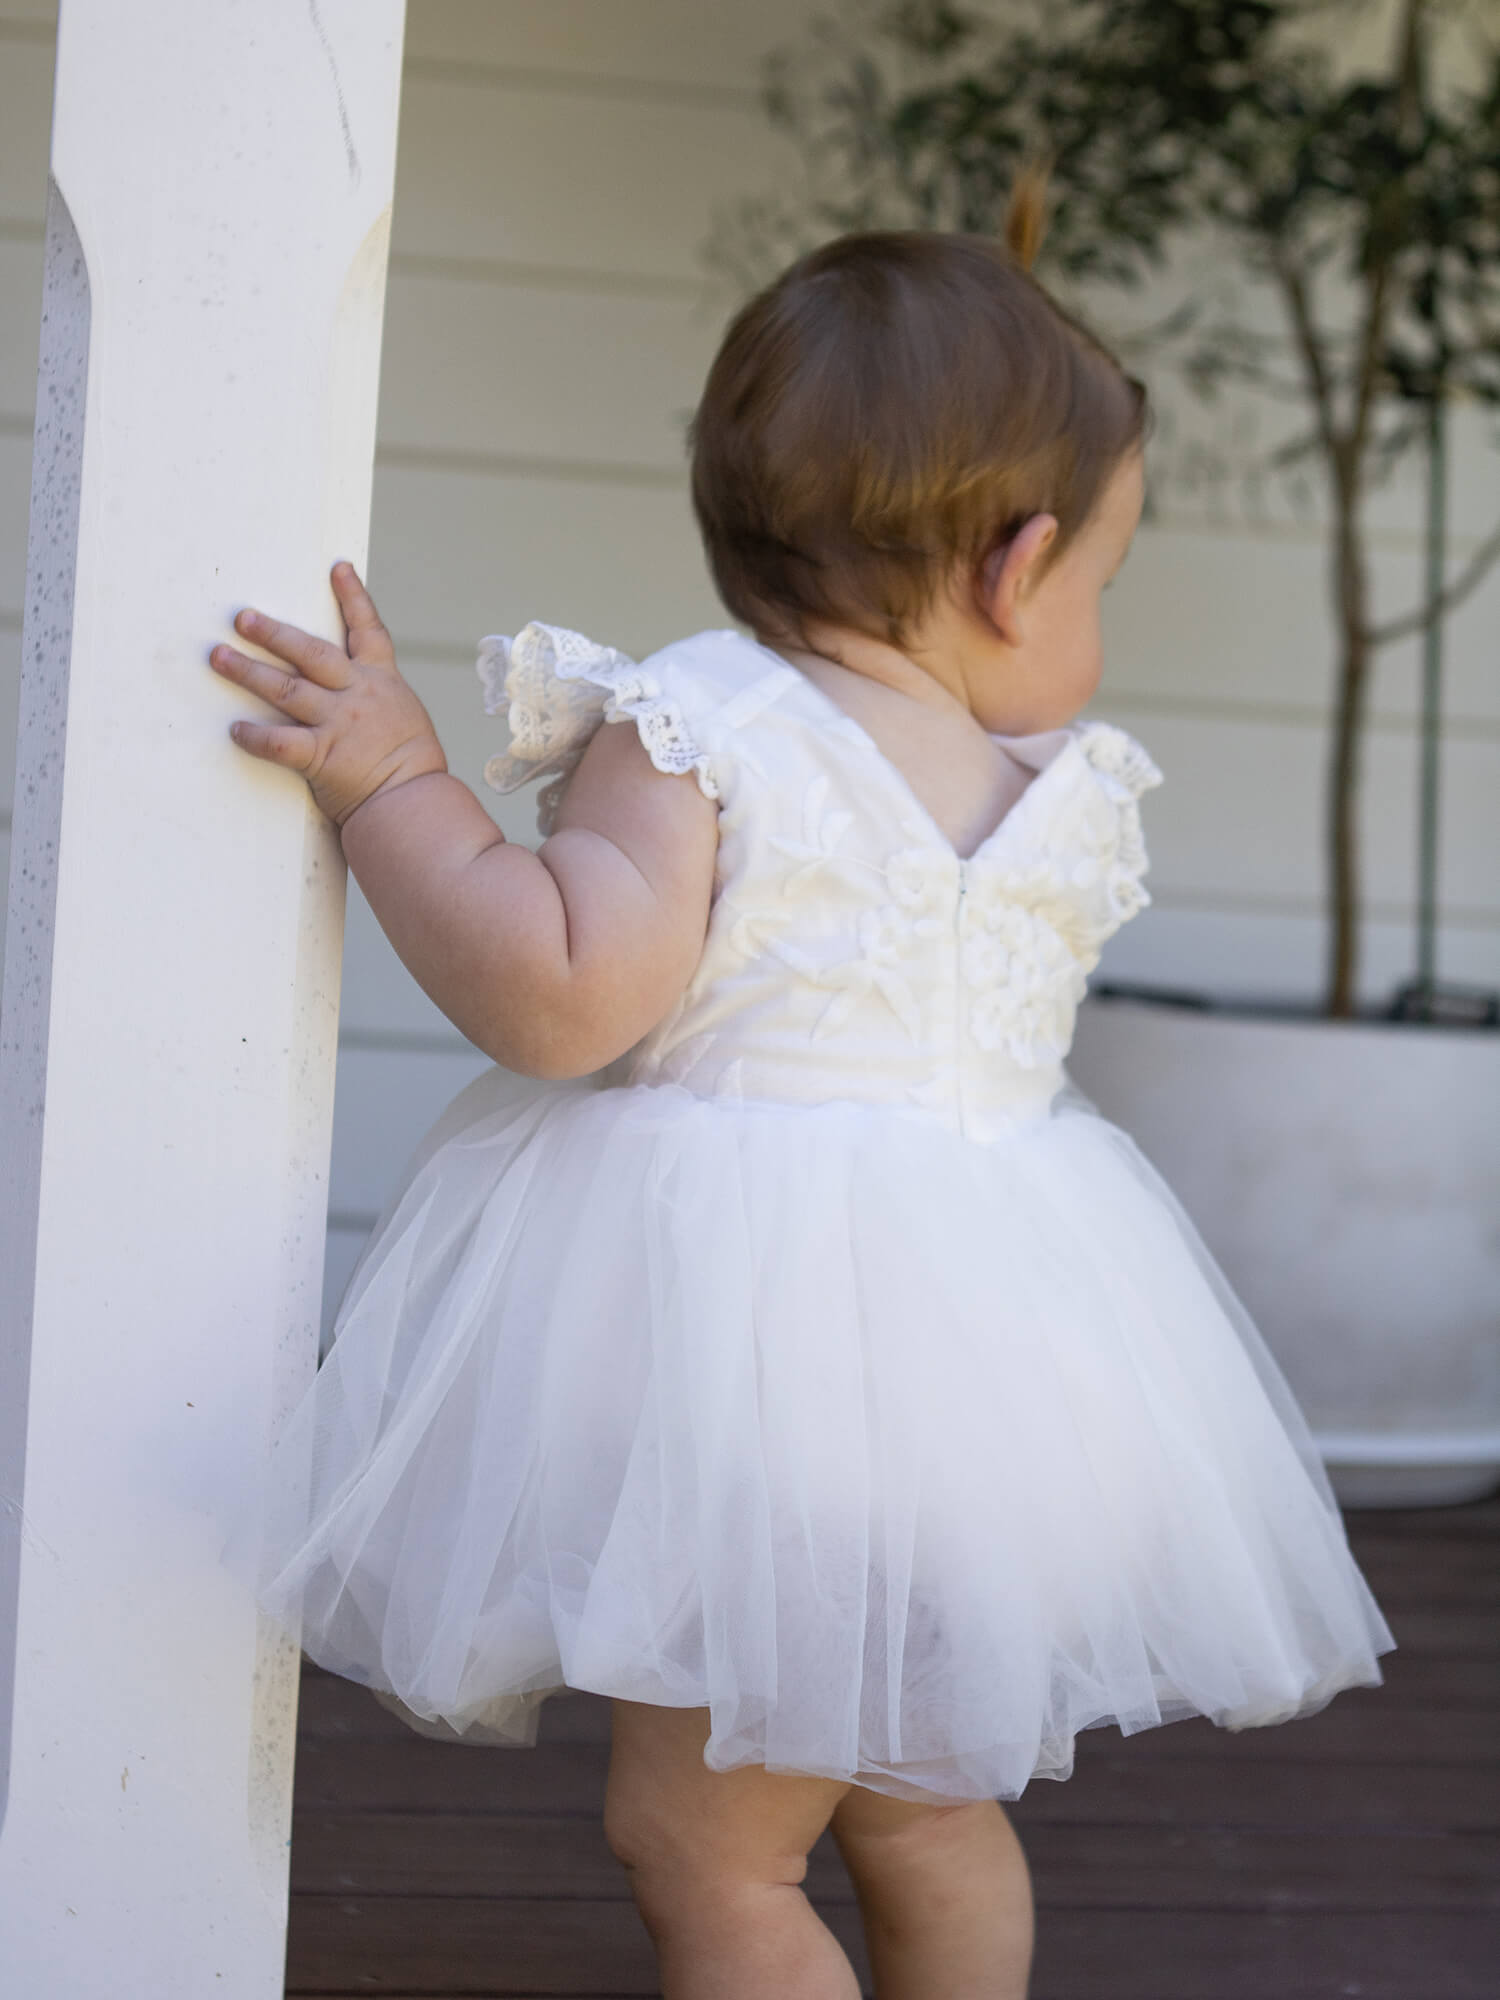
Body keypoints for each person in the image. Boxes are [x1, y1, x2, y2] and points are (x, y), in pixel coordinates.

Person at [214, 189, 1395, 2000]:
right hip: (1016, 1402)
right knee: (925, 1811)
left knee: (711, 1852)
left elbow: (557, 994)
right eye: (1103, 582)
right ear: (1016, 568)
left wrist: (394, 789)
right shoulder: (1060, 787)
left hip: (774, 1419)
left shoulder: (709, 729)